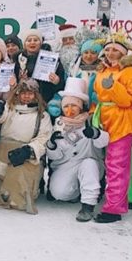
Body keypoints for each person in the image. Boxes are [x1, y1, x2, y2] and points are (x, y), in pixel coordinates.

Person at [92, 31, 132, 223]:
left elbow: (129, 100)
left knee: (117, 165)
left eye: (115, 50)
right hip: (105, 120)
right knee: (113, 164)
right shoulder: (103, 70)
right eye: (108, 50)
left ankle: (113, 209)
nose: (111, 53)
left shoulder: (130, 72)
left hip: (122, 121)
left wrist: (113, 86)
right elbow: (99, 96)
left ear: (124, 53)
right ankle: (121, 199)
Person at [46, 77, 109, 222]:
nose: (70, 110)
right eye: (66, 106)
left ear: (80, 107)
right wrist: (52, 145)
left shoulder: (90, 120)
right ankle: (77, 193)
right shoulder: (58, 124)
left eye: (74, 106)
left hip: (90, 162)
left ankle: (88, 205)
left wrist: (95, 134)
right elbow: (55, 157)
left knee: (88, 165)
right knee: (59, 193)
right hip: (66, 165)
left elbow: (105, 141)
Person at [0, 79, 52, 214]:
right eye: (23, 93)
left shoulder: (42, 116)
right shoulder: (11, 109)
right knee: (1, 183)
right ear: (17, 94)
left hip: (26, 153)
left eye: (30, 93)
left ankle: (21, 198)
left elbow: (44, 138)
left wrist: (29, 150)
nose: (26, 96)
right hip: (3, 151)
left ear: (36, 95)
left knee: (21, 189)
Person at [13, 29, 64, 106]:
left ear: (40, 43)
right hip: (26, 102)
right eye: (29, 40)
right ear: (24, 44)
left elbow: (62, 83)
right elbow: (14, 84)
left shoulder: (52, 58)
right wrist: (20, 79)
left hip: (47, 101)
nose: (32, 42)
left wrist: (57, 81)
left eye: (36, 40)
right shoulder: (19, 60)